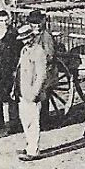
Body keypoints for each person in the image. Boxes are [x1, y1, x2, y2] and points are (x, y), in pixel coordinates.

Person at [16, 12, 52, 161]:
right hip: (22, 92)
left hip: (32, 93)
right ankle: (29, 145)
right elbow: (20, 71)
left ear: (32, 37)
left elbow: (41, 76)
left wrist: (34, 93)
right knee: (25, 120)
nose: (26, 41)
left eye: (27, 39)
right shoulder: (24, 50)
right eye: (23, 39)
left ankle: (33, 150)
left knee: (33, 121)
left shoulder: (39, 52)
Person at [0, 18, 23, 137]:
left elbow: (19, 51)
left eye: (6, 20)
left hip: (9, 69)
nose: (4, 22)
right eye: (1, 20)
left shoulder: (13, 33)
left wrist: (15, 68)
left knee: (11, 97)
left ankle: (14, 124)